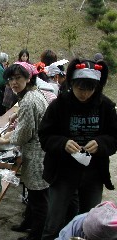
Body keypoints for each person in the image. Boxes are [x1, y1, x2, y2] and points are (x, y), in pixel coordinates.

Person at [38, 58, 117, 240]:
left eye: (90, 89)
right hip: (63, 173)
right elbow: (45, 136)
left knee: (90, 223)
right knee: (54, 221)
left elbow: (114, 138)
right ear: (72, 83)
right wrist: (62, 143)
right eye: (80, 88)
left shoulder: (105, 106)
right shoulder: (59, 105)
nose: (85, 94)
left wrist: (101, 143)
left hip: (94, 174)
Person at [0, 62, 50, 240]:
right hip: (39, 152)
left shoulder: (28, 100)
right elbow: (30, 118)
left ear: (28, 78)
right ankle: (28, 222)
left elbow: (23, 135)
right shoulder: (33, 93)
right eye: (11, 79)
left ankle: (35, 236)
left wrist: (6, 139)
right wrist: (17, 115)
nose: (14, 82)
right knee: (33, 195)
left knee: (38, 199)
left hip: (37, 155)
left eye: (18, 78)